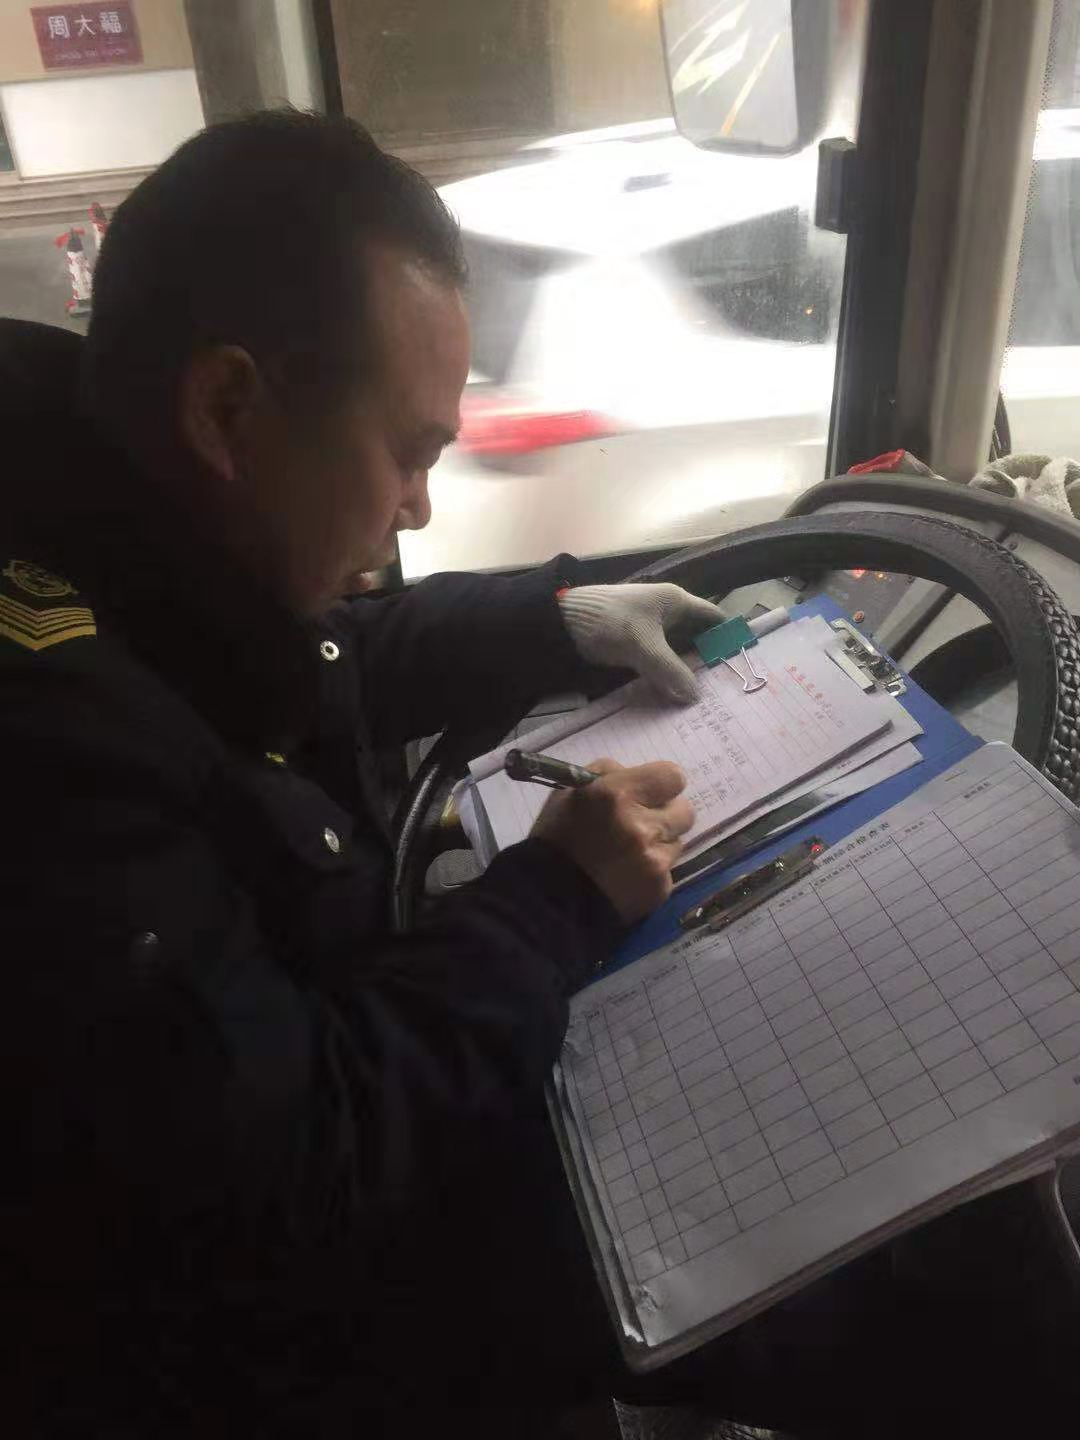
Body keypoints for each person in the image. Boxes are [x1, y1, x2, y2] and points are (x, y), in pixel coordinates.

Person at [0, 110, 737, 1436]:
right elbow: (295, 1165)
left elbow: (308, 651)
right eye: (408, 452)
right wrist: (552, 901)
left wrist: (557, 619)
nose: (419, 509)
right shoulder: (53, 753)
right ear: (227, 408)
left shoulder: (108, 501)